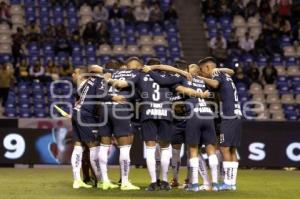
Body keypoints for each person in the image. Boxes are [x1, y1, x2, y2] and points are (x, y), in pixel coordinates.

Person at [70, 66, 125, 189]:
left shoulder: (89, 80)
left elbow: (77, 94)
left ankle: (77, 180)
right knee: (93, 147)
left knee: (78, 147)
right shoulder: (101, 80)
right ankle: (101, 180)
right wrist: (114, 97)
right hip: (86, 116)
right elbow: (101, 95)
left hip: (77, 113)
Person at [198, 57, 243, 191]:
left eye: (202, 70)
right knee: (232, 149)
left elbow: (215, 85)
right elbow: (231, 72)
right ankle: (232, 183)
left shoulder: (216, 74)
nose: (201, 73)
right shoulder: (225, 75)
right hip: (237, 114)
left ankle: (228, 183)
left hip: (228, 116)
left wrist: (200, 79)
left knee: (224, 148)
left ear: (207, 68)